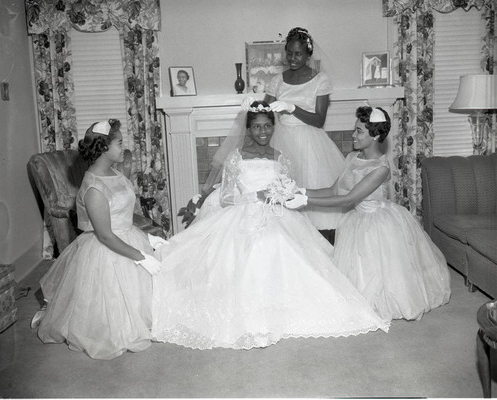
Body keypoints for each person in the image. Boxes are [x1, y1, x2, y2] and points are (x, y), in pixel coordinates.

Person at [151, 101, 389, 350]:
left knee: (284, 244)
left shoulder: (281, 158)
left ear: (274, 127)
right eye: (256, 127)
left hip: (277, 213)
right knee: (251, 248)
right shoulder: (236, 157)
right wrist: (257, 196)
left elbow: (290, 189)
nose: (262, 132)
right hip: (243, 212)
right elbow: (226, 197)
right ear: (248, 129)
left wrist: (287, 195)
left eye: (267, 126)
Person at [286, 106, 451, 321]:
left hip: (378, 223)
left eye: (359, 131)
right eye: (354, 129)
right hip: (356, 221)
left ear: (375, 136)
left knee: (383, 280)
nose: (353, 135)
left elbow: (350, 199)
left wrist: (305, 201)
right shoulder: (351, 157)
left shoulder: (381, 168)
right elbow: (333, 191)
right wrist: (299, 190)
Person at [31, 119, 167, 360]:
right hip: (107, 248)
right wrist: (141, 257)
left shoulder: (114, 173)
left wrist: (148, 238)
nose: (123, 148)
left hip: (127, 237)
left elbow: (122, 216)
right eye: (120, 143)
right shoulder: (94, 187)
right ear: (104, 147)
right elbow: (105, 234)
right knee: (112, 317)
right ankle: (52, 313)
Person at [255, 27, 345, 234]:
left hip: (309, 142)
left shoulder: (320, 79)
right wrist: (253, 105)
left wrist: (292, 108)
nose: (292, 58)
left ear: (308, 54)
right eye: (289, 53)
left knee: (308, 202)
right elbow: (263, 111)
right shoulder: (277, 80)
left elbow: (319, 120)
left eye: (298, 54)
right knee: (281, 201)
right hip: (282, 140)